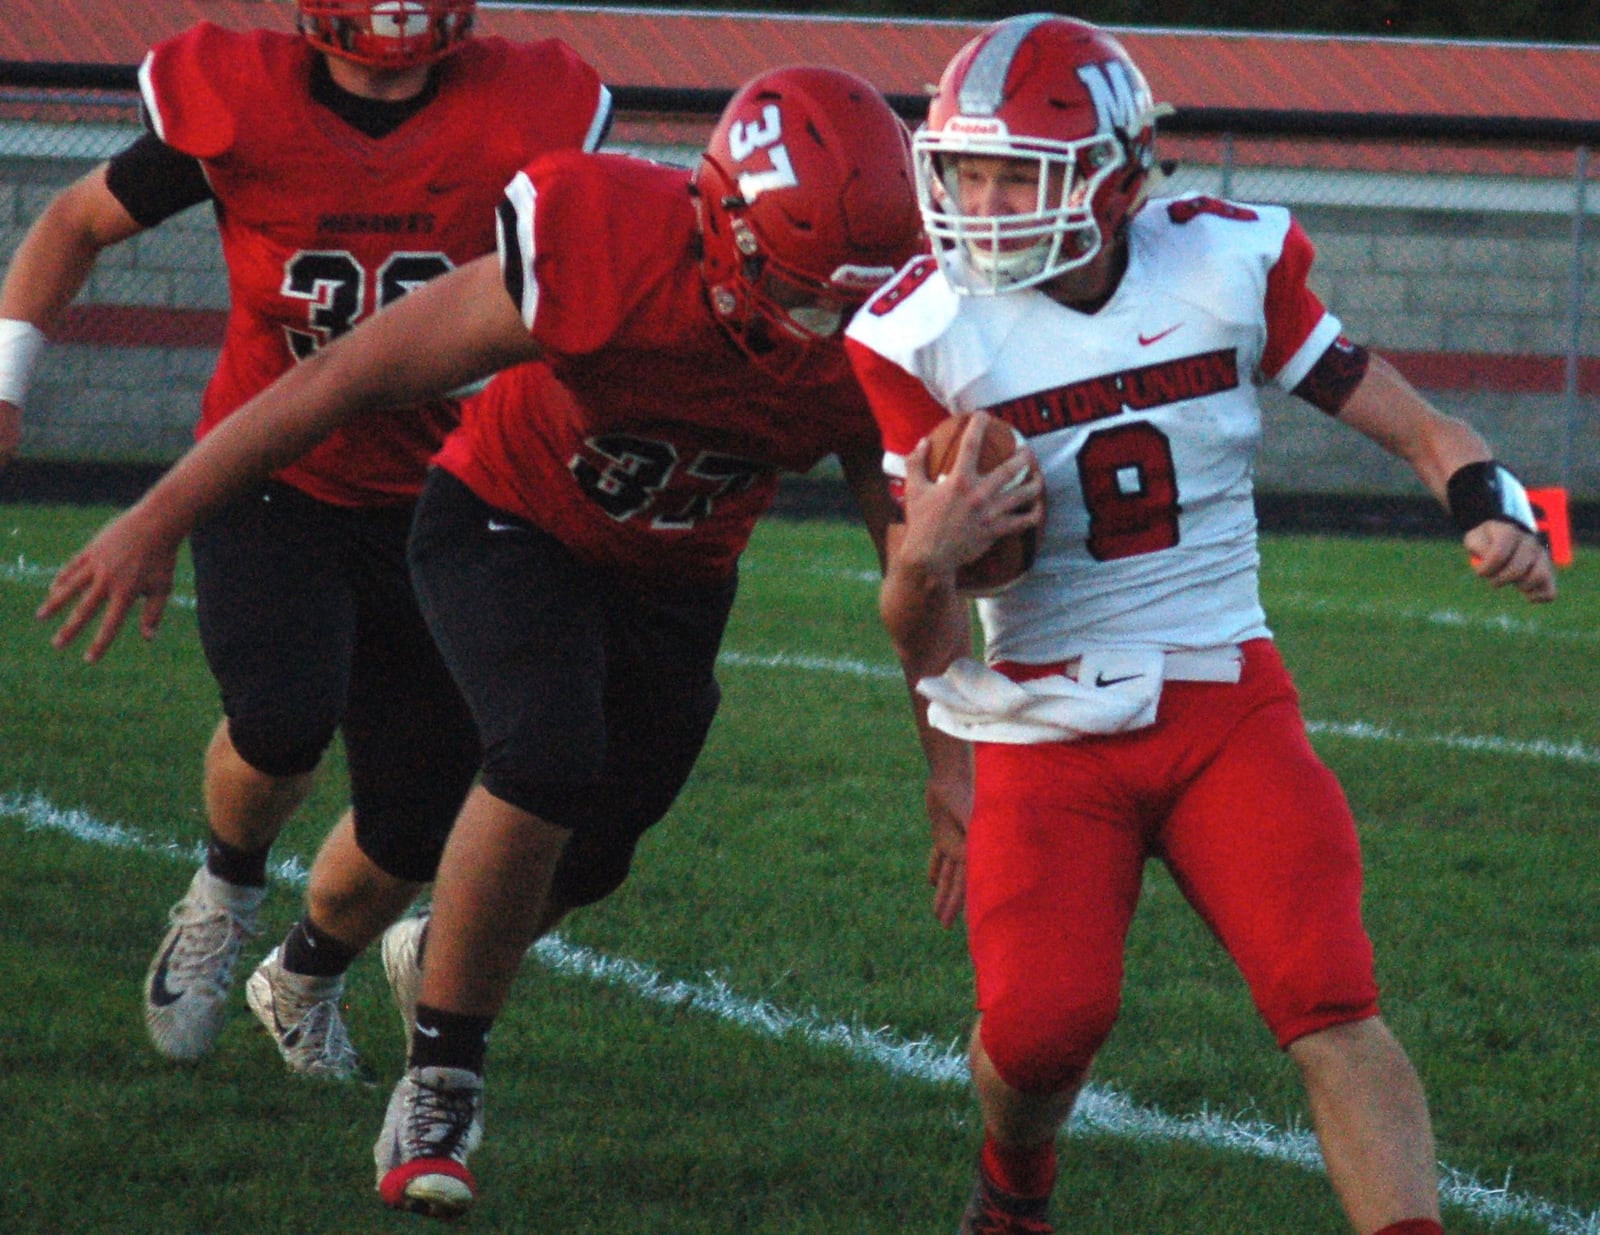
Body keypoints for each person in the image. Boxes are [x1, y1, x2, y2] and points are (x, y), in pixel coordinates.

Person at [40, 65, 950, 1219]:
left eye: (850, 299)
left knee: (596, 847)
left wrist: (949, 758)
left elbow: (910, 561)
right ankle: (441, 1086)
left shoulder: (885, 331)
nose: (819, 325)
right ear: (717, 222)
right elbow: (343, 376)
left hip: (675, 571)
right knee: (543, 752)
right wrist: (157, 517)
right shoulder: (602, 241)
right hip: (503, 519)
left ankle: (321, 969)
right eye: (798, 288)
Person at [844, 14, 1556, 1235]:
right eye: (967, 168)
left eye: (1020, 169)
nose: (985, 198)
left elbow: (1428, 429)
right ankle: (1014, 1186)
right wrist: (931, 556)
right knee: (1039, 1028)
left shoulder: (1222, 264)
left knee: (1328, 991)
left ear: (1116, 182)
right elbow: (914, 615)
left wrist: (1502, 510)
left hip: (1223, 692)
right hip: (1044, 716)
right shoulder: (921, 331)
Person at [1, 0, 611, 1077]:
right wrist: (5, 389)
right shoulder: (245, 103)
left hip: (449, 495)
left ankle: (300, 971)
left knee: (416, 822)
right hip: (267, 469)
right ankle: (225, 884)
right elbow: (72, 223)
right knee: (281, 714)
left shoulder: (523, 111)